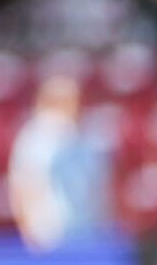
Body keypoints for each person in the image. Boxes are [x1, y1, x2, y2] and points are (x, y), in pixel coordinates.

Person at [6, 74, 109, 251]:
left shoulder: (90, 136)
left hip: (87, 230)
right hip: (49, 233)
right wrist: (30, 232)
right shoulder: (35, 138)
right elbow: (23, 188)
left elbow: (98, 186)